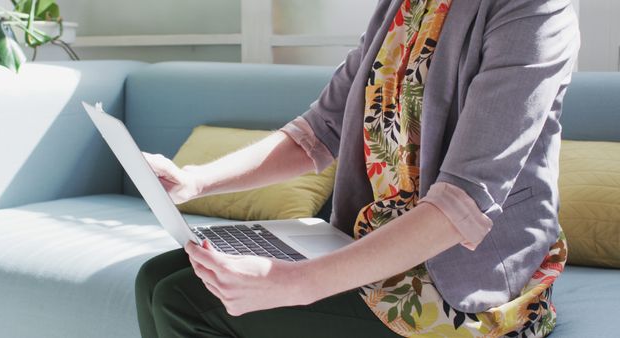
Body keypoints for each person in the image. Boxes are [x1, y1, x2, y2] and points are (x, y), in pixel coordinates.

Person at [135, 0, 580, 336]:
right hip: (375, 243)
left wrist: (296, 283)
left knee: (184, 300)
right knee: (155, 278)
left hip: (465, 277)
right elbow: (318, 129)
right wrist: (195, 181)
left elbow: (463, 202)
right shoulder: (403, 6)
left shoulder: (536, 11)